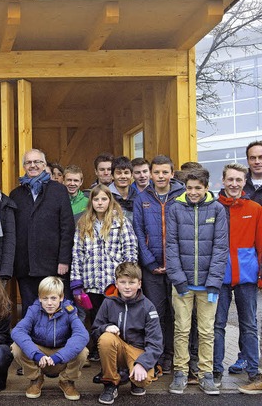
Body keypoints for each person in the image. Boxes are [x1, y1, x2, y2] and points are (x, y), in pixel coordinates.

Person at [165, 168, 228, 395]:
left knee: (206, 331)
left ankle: (206, 374)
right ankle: (180, 372)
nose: (193, 192)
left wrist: (213, 282)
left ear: (206, 187)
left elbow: (221, 248)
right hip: (183, 284)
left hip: (207, 285)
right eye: (189, 188)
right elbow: (170, 247)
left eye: (197, 188)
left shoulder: (217, 209)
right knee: (181, 329)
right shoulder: (175, 209)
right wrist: (179, 280)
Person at [70, 184, 138, 362]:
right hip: (91, 279)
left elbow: (130, 250)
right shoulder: (84, 223)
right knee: (94, 317)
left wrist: (127, 279)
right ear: (91, 201)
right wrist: (76, 281)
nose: (100, 203)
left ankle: (113, 351)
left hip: (112, 281)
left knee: (114, 316)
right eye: (96, 199)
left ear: (110, 200)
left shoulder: (121, 222)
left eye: (104, 199)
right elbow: (77, 253)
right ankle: (96, 349)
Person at [131, 155, 184, 376]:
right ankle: (158, 355)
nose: (160, 176)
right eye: (156, 172)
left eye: (165, 172)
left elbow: (187, 232)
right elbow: (138, 231)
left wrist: (174, 264)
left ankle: (174, 356)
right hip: (151, 268)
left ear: (172, 173)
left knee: (177, 313)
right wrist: (150, 263)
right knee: (156, 313)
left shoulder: (181, 196)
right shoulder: (141, 197)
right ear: (150, 174)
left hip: (177, 267)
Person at [213, 163, 262, 387]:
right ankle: (214, 372)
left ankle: (254, 372)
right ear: (223, 181)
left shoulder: (255, 208)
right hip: (219, 275)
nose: (234, 184)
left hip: (247, 276)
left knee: (249, 324)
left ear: (244, 182)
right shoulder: (213, 207)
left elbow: (261, 243)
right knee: (217, 324)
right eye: (230, 180)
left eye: (238, 180)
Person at [11, 149, 75, 317]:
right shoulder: (16, 195)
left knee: (56, 310)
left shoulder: (58, 191)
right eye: (28, 163)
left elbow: (67, 228)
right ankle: (30, 343)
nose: (33, 166)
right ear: (24, 166)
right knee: (29, 310)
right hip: (25, 266)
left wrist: (64, 260)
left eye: (37, 162)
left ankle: (57, 342)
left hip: (53, 265)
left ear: (44, 165)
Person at [92, 262, 163, 405]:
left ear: (139, 284)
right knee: (106, 339)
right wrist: (105, 328)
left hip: (137, 351)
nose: (127, 286)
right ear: (116, 284)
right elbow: (94, 331)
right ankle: (111, 384)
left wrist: (143, 363)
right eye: (123, 282)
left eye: (132, 282)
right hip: (116, 347)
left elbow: (156, 343)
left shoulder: (148, 307)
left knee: (143, 380)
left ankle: (134, 379)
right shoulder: (108, 302)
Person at [11, 276, 89, 400]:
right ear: (39, 298)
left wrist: (60, 356)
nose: (49, 303)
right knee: (16, 347)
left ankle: (67, 381)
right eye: (45, 298)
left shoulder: (69, 311)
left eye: (53, 298)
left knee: (83, 351)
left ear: (61, 297)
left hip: (62, 355)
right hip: (40, 355)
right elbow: (18, 331)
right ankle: (35, 379)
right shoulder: (34, 310)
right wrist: (36, 354)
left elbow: (82, 335)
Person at [108, 156, 138, 222]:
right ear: (112, 176)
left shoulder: (137, 195)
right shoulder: (106, 195)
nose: (123, 176)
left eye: (126, 173)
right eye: (119, 173)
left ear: (132, 175)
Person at [243, 140, 262, 205]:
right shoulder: (238, 183)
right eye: (253, 158)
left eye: (261, 157)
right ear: (247, 160)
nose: (257, 161)